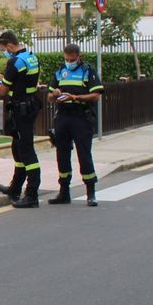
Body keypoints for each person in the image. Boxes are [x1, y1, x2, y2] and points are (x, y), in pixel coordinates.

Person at [0, 30, 43, 208]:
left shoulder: (14, 62)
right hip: (30, 106)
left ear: (10, 46)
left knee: (26, 151)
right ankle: (15, 187)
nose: (5, 52)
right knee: (18, 148)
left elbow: (4, 90)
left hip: (21, 110)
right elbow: (17, 82)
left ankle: (32, 194)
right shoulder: (31, 57)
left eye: (4, 49)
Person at [47, 42, 102, 207]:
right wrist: (55, 94)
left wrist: (76, 98)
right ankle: (64, 192)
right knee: (62, 154)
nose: (69, 62)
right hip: (63, 117)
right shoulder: (60, 72)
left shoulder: (87, 71)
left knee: (84, 155)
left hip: (81, 117)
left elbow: (96, 95)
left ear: (79, 57)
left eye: (72, 60)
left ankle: (90, 193)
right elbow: (50, 96)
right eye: (66, 59)